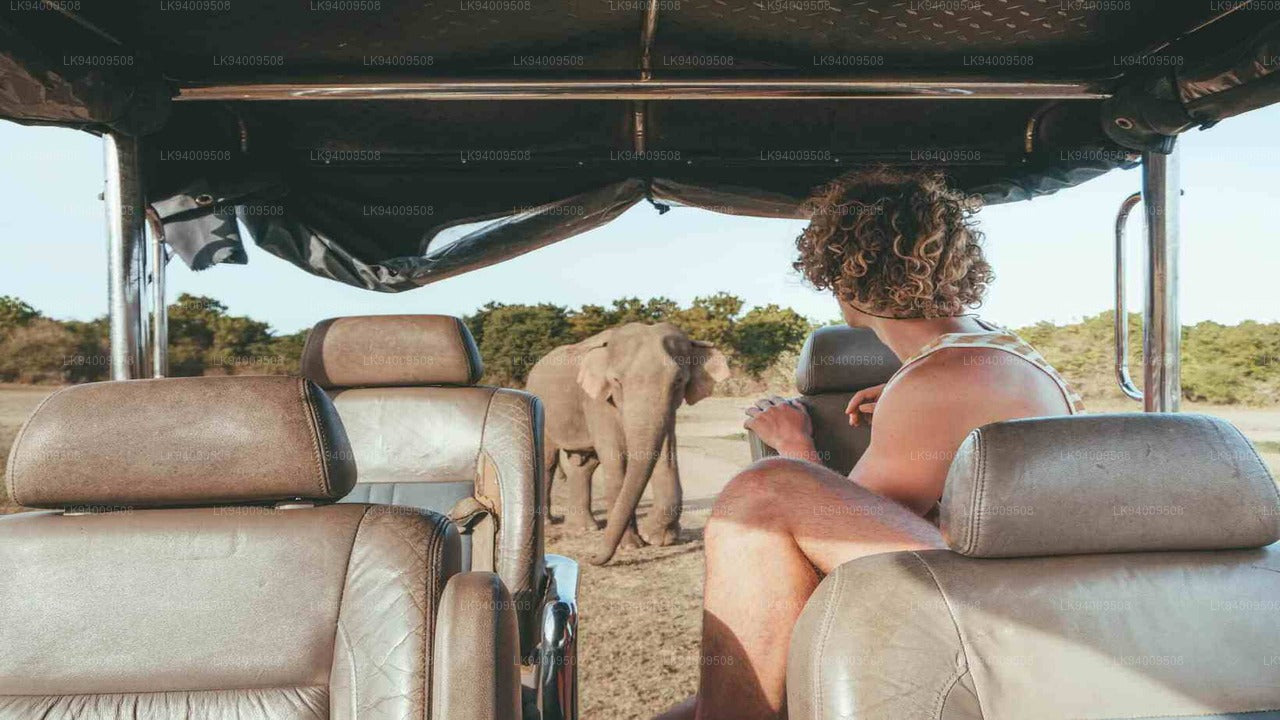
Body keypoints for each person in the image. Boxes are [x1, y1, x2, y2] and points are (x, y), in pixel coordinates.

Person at [656, 168, 1084, 720]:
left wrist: (794, 446)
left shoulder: (941, 379)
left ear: (842, 279)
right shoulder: (994, 351)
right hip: (1030, 595)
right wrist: (916, 400)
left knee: (766, 492)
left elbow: (833, 550)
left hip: (1005, 619)